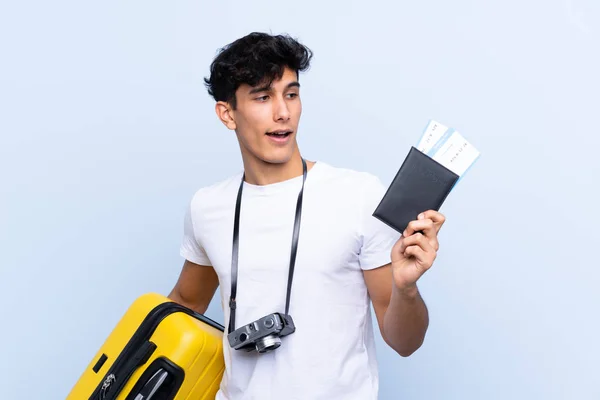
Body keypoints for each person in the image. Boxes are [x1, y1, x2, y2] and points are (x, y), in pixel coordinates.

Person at [168, 32, 447, 400]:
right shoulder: (207, 208)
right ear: (227, 114)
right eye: (263, 97)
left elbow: (404, 342)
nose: (283, 112)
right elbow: (185, 305)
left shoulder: (358, 195)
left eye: (292, 94)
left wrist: (406, 289)